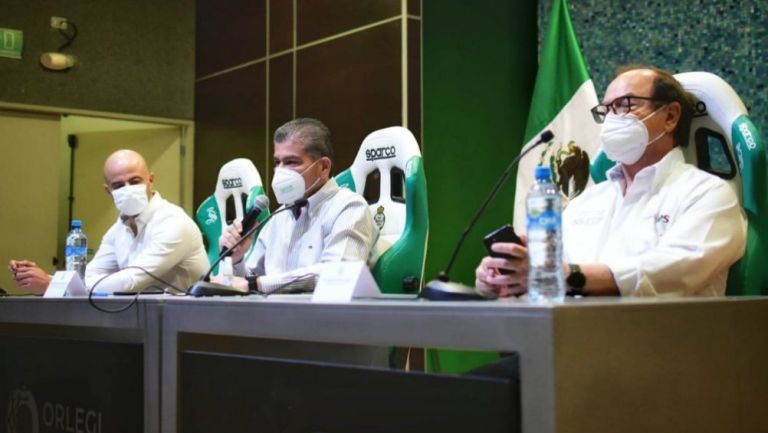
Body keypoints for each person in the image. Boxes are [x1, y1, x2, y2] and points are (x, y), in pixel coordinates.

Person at [476, 65, 747, 297]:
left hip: (662, 349)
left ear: (671, 116)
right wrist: (507, 275)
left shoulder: (709, 195)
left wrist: (564, 275)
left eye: (625, 105)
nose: (611, 120)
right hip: (570, 342)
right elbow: (551, 276)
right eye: (606, 110)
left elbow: (672, 272)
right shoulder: (586, 203)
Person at [9, 149, 209, 294]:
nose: (128, 188)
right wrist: (43, 280)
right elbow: (90, 276)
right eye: (119, 185)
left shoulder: (173, 222)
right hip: (143, 321)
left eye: (135, 181)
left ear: (151, 180)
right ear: (108, 191)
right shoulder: (117, 230)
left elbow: (131, 281)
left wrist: (52, 284)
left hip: (189, 325)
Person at [217, 118, 378, 294]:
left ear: (323, 167)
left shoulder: (350, 207)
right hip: (274, 316)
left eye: (291, 162)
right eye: (277, 162)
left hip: (326, 318)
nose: (280, 171)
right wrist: (237, 259)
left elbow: (335, 274)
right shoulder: (279, 216)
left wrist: (256, 284)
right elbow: (252, 277)